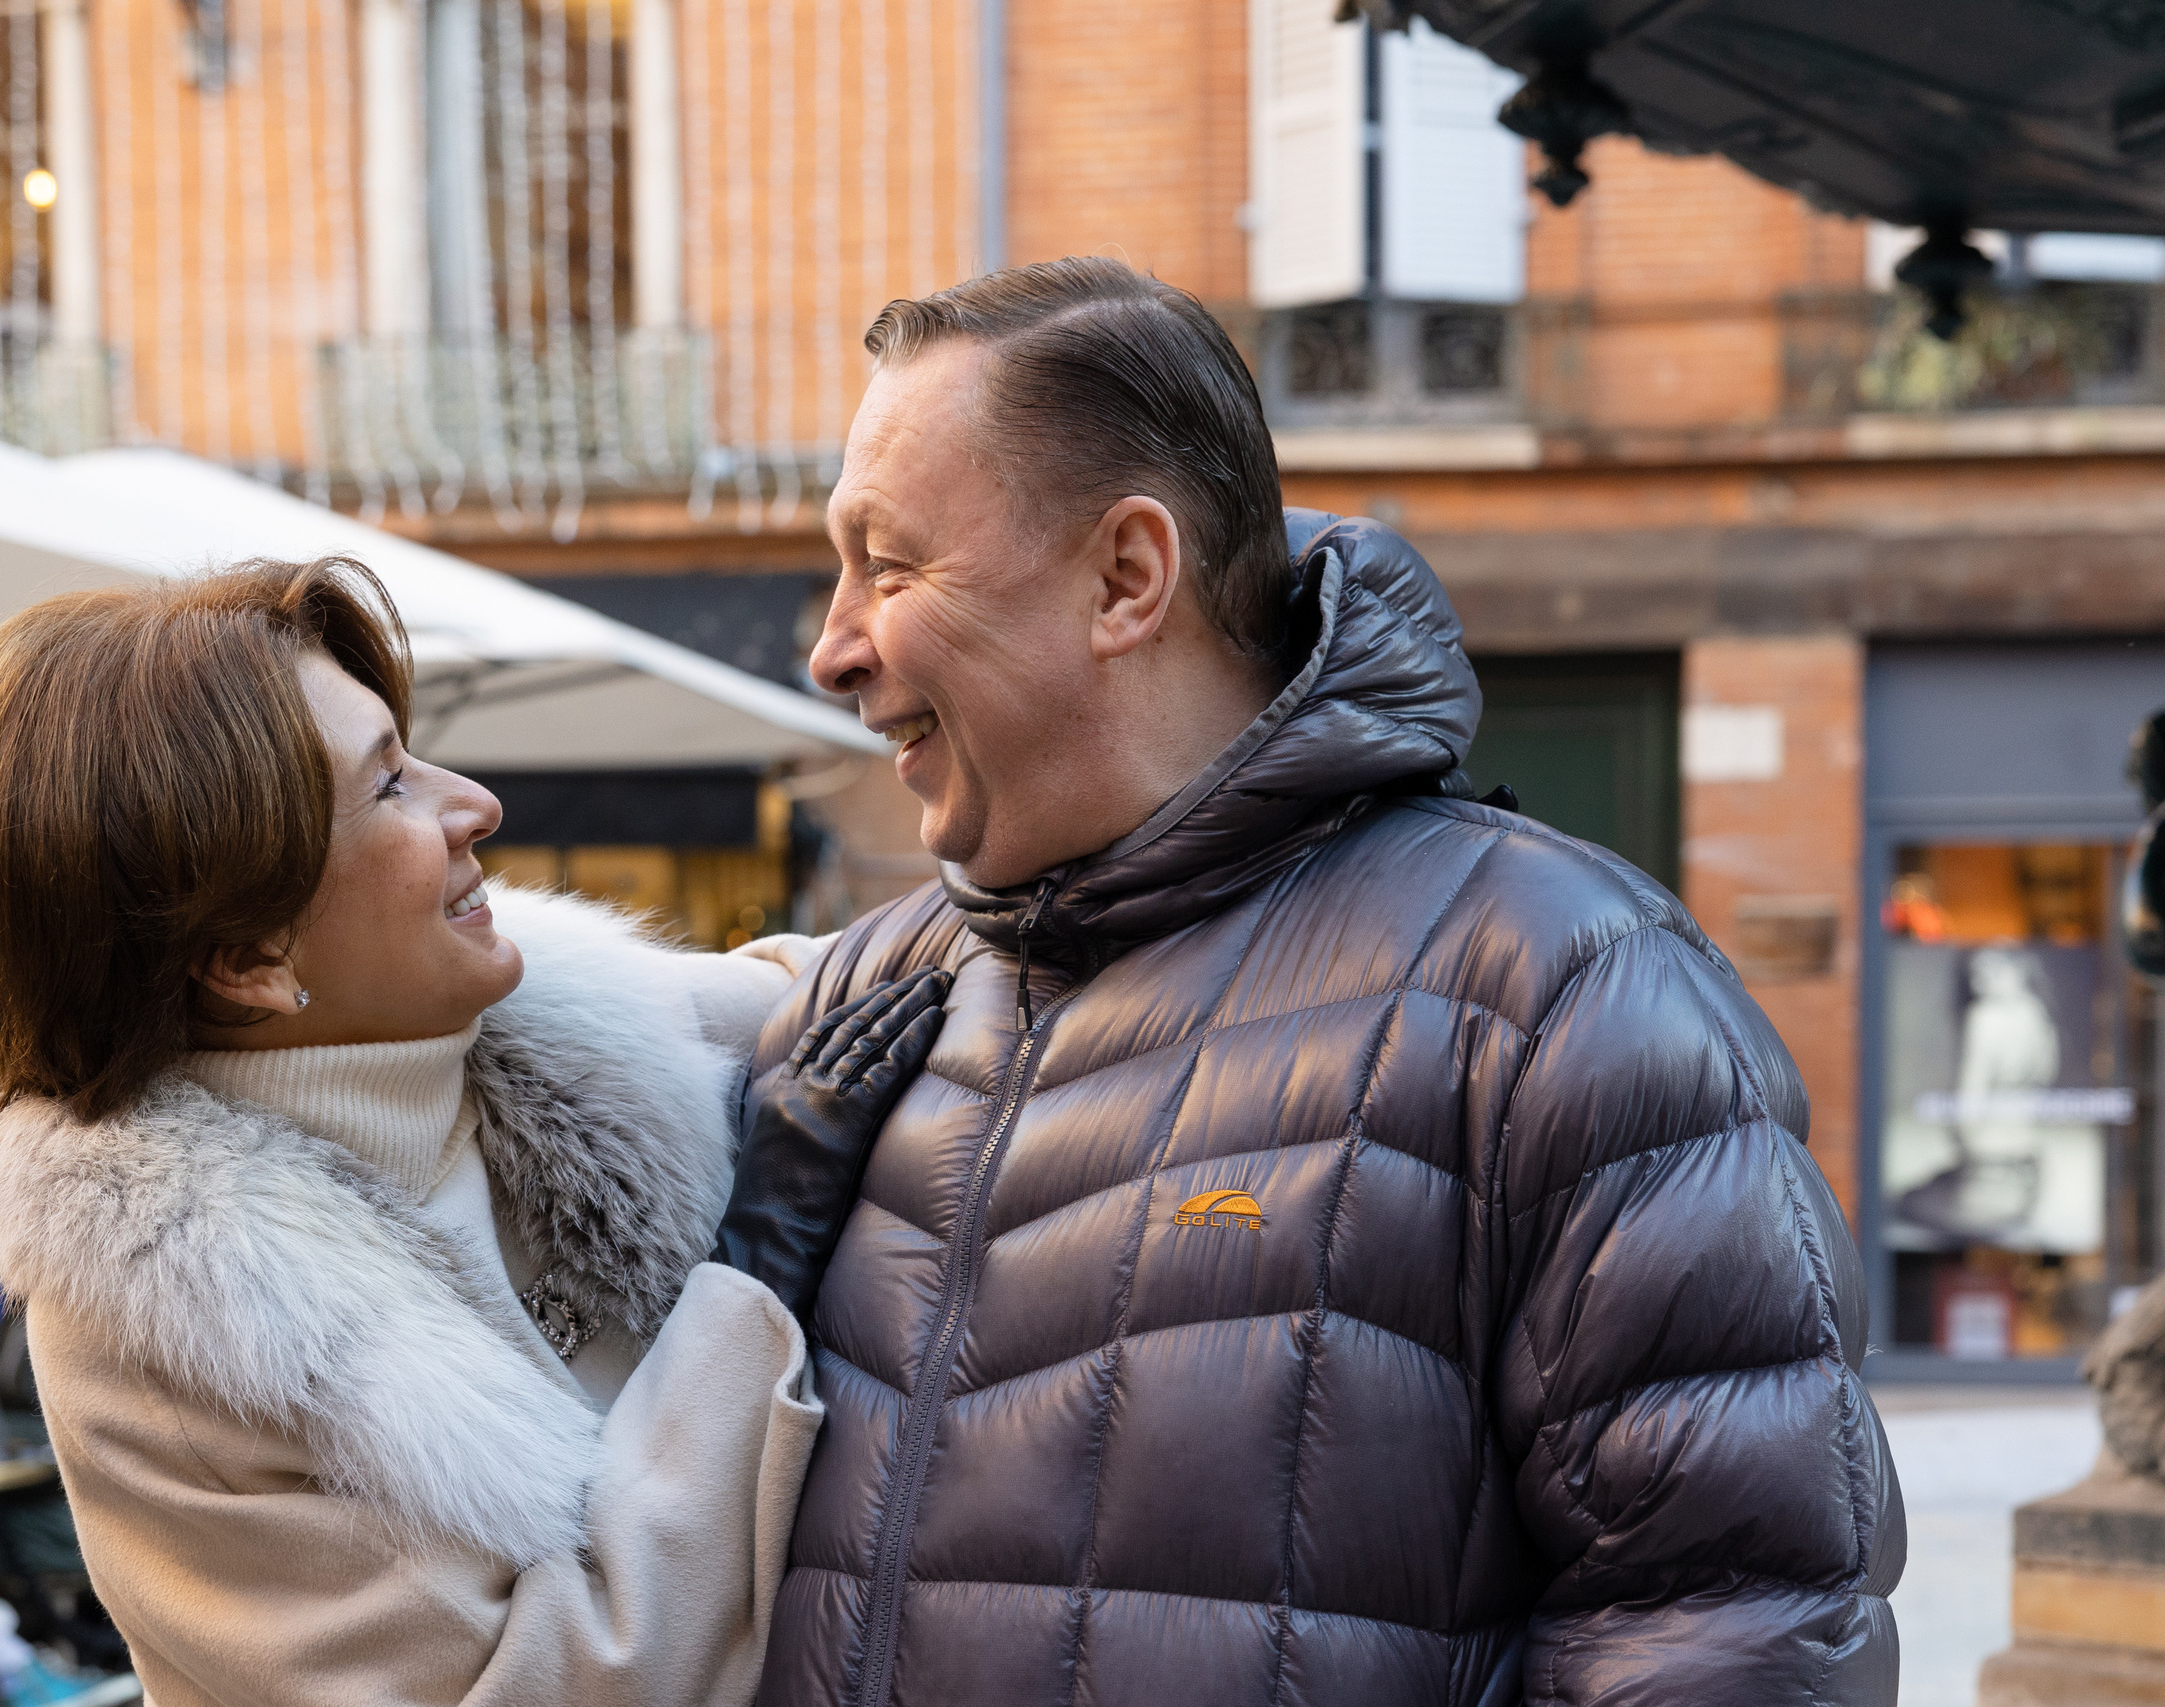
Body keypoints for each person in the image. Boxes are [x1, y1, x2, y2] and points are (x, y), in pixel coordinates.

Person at [744, 257, 1905, 1707]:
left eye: (890, 564)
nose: (833, 646)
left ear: (1126, 577)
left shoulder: (1558, 988)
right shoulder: (865, 1000)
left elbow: (1735, 1634)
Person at [0, 558, 943, 1707]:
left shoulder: (562, 1016)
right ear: (249, 958)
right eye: (389, 785)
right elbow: (550, 1686)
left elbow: (863, 990)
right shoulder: (162, 1335)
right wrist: (756, 1266)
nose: (475, 804)